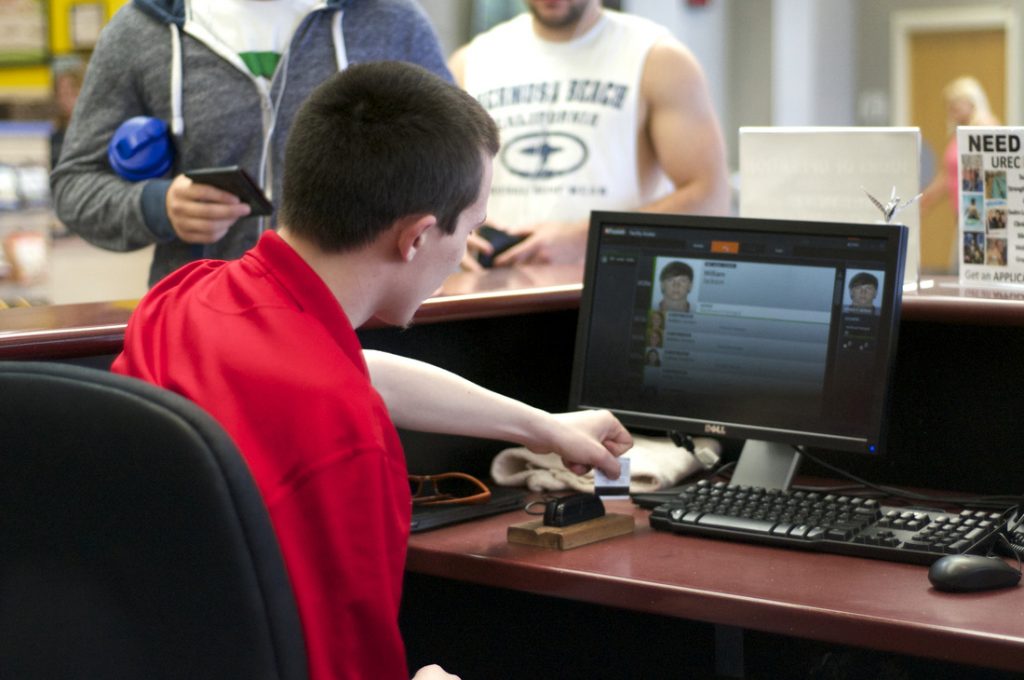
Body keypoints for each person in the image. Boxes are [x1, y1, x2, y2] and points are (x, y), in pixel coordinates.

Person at [111, 61, 631, 680]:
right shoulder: (348, 440)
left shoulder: (185, 299)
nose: (466, 250)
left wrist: (543, 427)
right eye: (471, 228)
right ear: (415, 239)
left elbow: (354, 370)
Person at [51, 0, 452, 287]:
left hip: (358, 323)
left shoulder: (392, 20)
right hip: (201, 324)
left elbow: (458, 165)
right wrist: (159, 206)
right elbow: (75, 184)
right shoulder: (141, 29)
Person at [449, 0, 730, 268]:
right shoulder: (470, 61)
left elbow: (710, 199)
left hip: (605, 287)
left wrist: (588, 238)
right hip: (490, 293)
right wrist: (449, 233)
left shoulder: (658, 58)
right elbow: (432, 187)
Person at [918, 76, 1000, 268]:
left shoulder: (986, 128)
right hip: (964, 216)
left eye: (956, 103)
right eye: (949, 104)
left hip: (981, 218)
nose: (951, 109)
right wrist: (923, 201)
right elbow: (948, 176)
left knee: (966, 269)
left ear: (972, 102)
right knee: (960, 268)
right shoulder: (960, 133)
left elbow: (994, 174)